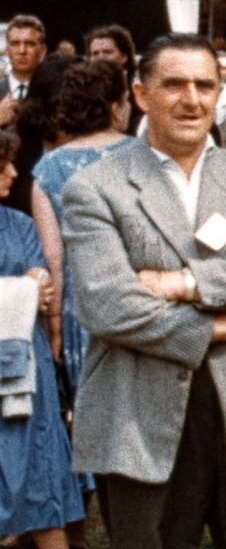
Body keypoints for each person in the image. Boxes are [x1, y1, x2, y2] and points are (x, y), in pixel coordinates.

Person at [61, 33, 226, 549]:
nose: (191, 99)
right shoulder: (95, 187)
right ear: (141, 94)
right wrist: (218, 326)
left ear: (220, 93)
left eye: (204, 85)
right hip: (138, 411)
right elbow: (108, 304)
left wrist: (183, 283)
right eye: (174, 85)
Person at [0, 129, 89, 549]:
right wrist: (22, 290)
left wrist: (36, 280)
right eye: (4, 165)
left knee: (39, 463)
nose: (13, 173)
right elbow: (27, 290)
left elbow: (42, 281)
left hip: (22, 368)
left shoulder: (17, 223)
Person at [32, 59, 134, 400]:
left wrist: (55, 325)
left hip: (82, 305)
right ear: (115, 106)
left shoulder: (48, 169)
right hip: (139, 293)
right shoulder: (145, 156)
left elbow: (53, 257)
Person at [0, 15, 48, 214]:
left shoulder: (55, 93)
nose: (22, 50)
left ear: (42, 51)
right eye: (15, 43)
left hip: (41, 195)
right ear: (6, 49)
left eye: (29, 44)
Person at [86, 23, 142, 133]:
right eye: (95, 54)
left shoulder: (138, 88)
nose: (101, 58)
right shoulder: (82, 91)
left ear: (124, 57)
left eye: (107, 52)